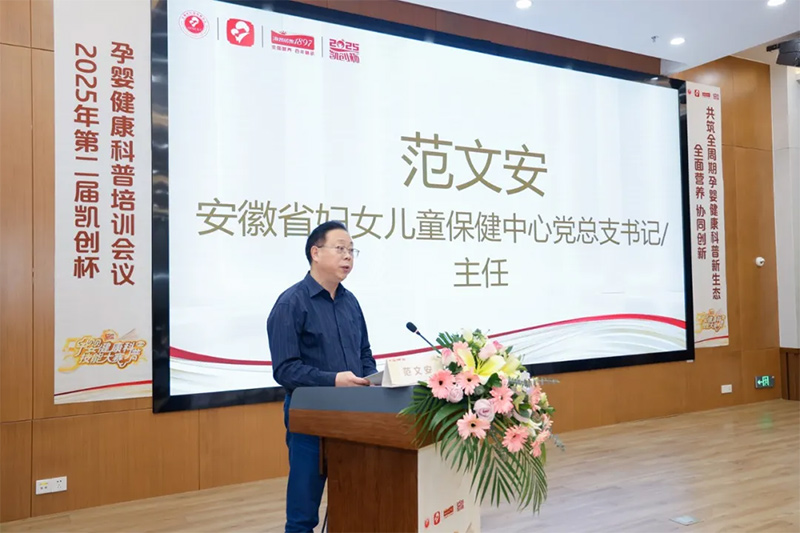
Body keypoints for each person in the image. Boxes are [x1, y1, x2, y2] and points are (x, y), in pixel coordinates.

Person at [266, 220, 377, 533]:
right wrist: (334, 380)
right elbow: (285, 369)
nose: (348, 256)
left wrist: (372, 379)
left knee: (354, 501)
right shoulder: (291, 303)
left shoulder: (350, 301)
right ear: (315, 252)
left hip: (355, 415)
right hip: (310, 417)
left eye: (352, 250)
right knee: (303, 513)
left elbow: (364, 352)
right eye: (340, 248)